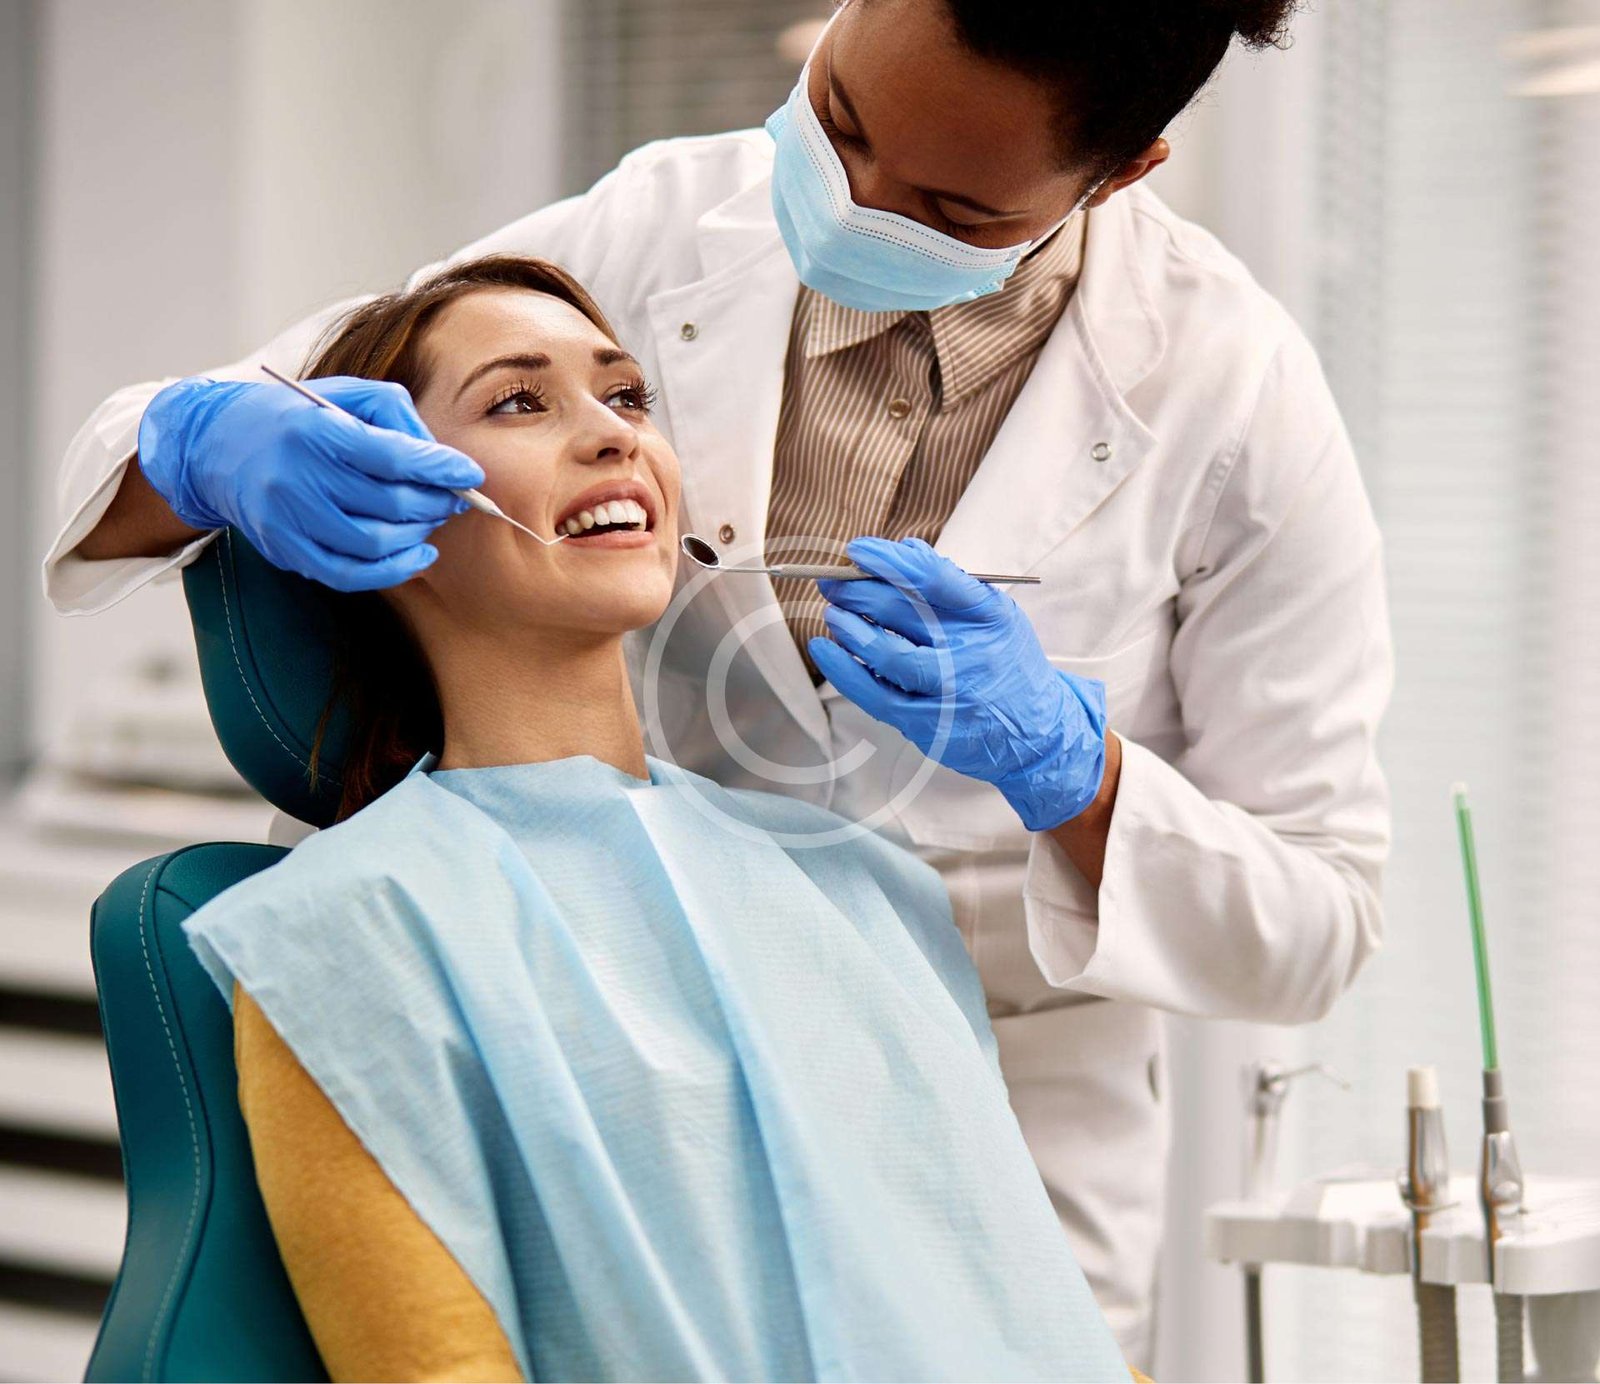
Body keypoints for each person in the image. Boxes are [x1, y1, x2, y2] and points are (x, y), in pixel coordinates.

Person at [45, 0, 1392, 1360]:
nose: (851, 207)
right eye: (839, 123)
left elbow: (1320, 914)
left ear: (1121, 173)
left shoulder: (1230, 389)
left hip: (977, 1081)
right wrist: (200, 447)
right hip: (599, 1026)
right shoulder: (375, 931)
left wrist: (1073, 775)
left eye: (949, 209)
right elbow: (230, 421)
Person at [183, 253, 1136, 1383]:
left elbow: (1030, 1310)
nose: (613, 435)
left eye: (628, 395)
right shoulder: (350, 931)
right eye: (518, 401)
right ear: (375, 509)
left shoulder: (867, 887)